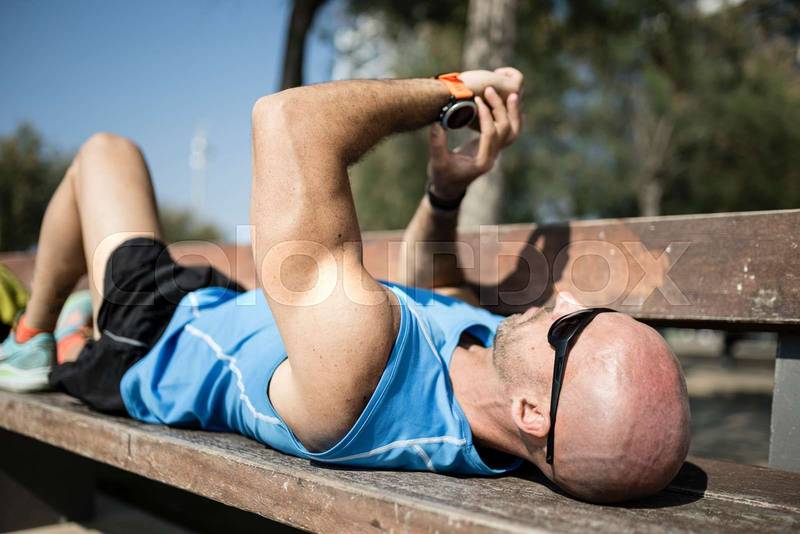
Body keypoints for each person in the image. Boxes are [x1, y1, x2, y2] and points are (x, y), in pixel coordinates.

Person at [0, 68, 690, 504]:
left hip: (154, 337)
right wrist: (444, 193)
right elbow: (435, 295)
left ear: (535, 413)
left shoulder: (355, 373)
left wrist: (454, 92)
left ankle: (35, 337)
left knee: (104, 154)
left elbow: (287, 120)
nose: (563, 298)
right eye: (592, 307)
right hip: (219, 308)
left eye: (574, 325)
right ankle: (65, 329)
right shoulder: (488, 396)